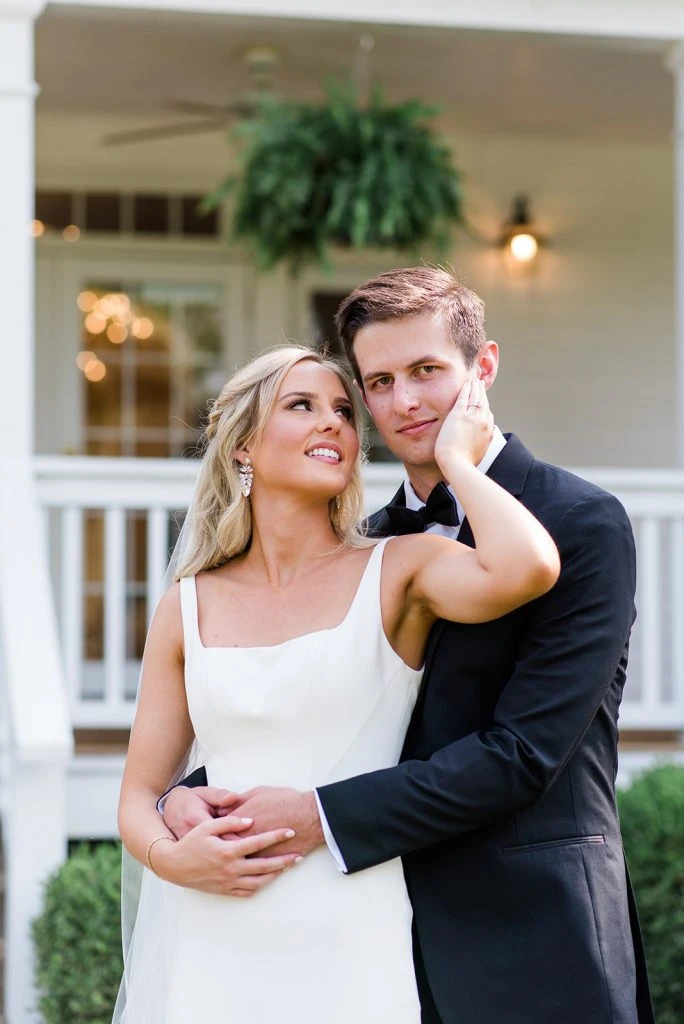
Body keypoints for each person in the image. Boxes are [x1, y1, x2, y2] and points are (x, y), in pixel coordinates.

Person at [164, 268, 654, 1024]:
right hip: (371, 936)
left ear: (482, 368)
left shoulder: (581, 523)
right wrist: (190, 797)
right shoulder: (370, 549)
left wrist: (312, 815)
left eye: (428, 372)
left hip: (533, 940)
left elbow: (522, 755)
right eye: (380, 382)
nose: (405, 403)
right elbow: (319, 708)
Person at [116, 342, 558, 1024]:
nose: (334, 424)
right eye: (302, 406)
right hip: (211, 933)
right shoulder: (187, 605)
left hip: (353, 927)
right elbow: (140, 795)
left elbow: (527, 567)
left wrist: (456, 462)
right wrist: (176, 864)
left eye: (344, 412)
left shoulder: (400, 569)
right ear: (242, 448)